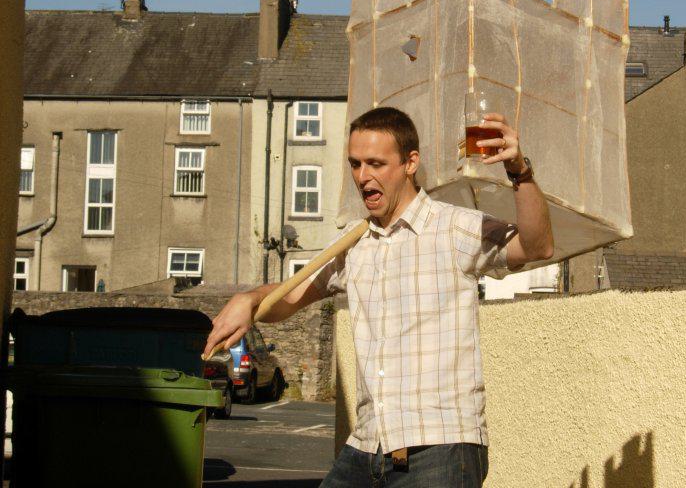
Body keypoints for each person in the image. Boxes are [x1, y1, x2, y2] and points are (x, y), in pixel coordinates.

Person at [203, 106, 553, 487]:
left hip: (441, 445)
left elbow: (537, 246)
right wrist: (251, 301)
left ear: (410, 163)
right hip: (368, 445)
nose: (362, 176)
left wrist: (520, 172)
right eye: (355, 164)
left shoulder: (454, 228)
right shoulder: (354, 243)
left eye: (376, 164)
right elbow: (290, 297)